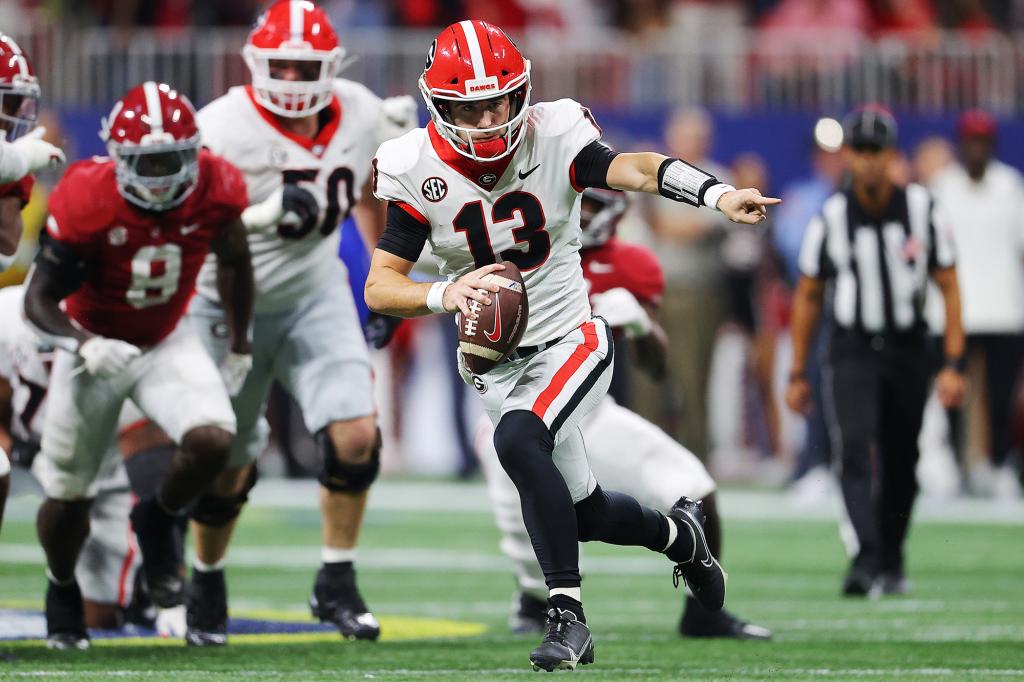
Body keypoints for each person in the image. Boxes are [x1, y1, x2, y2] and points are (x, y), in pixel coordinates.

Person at [364, 20, 778, 671]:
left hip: (570, 337)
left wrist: (717, 194)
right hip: (495, 364)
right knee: (581, 512)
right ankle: (681, 538)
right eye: (471, 105)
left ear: (521, 91)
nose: (491, 117)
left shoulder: (555, 134)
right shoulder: (414, 168)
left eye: (500, 98)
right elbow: (381, 285)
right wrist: (446, 294)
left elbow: (636, 169)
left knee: (517, 442)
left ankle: (566, 618)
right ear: (440, 106)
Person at [187, 0, 417, 646]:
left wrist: (377, 275)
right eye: (279, 66)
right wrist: (259, 213)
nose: (290, 79)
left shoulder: (362, 111)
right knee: (231, 462)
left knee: (355, 436)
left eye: (303, 67)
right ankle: (206, 578)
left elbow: (378, 189)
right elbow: (188, 228)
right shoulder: (221, 127)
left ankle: (336, 580)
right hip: (228, 301)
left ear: (330, 67)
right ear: (256, 65)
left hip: (316, 291)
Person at [475, 187, 772, 641]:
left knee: (692, 484)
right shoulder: (513, 249)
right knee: (525, 523)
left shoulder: (631, 264)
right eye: (579, 201)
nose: (583, 212)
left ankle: (704, 611)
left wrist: (640, 326)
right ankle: (535, 600)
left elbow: (656, 366)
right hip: (514, 408)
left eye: (593, 203)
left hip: (589, 411)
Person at [23, 81, 254, 650]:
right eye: (143, 161)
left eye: (169, 159)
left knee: (213, 437)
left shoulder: (218, 185)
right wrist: (81, 344)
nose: (156, 173)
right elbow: (37, 300)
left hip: (164, 339)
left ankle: (158, 516)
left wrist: (241, 343)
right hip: (95, 348)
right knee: (68, 494)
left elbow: (235, 260)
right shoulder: (86, 195)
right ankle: (61, 588)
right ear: (116, 157)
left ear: (195, 153)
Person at [786, 108, 965, 597]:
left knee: (903, 457)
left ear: (891, 155)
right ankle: (865, 558)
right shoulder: (832, 215)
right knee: (855, 448)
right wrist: (798, 370)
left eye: (875, 151)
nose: (866, 162)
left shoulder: (922, 209)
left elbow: (948, 285)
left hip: (908, 347)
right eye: (859, 151)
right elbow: (807, 295)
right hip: (853, 348)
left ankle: (892, 555)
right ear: (848, 155)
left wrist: (953, 363)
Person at [0, 284, 176, 631]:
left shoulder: (121, 314)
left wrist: (165, 560)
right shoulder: (7, 315)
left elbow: (146, 444)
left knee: (99, 618)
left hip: (98, 459)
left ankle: (144, 584)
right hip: (24, 447)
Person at [930, 110, 1024, 498]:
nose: (976, 148)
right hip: (952, 313)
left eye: (982, 141)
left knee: (1001, 397)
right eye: (970, 141)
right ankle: (954, 465)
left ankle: (998, 465)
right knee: (952, 393)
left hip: (1003, 309)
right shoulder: (942, 187)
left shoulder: (1010, 186)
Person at [0, 33, 65, 272]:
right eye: (5, 103)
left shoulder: (13, 170)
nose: (11, 117)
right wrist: (25, 158)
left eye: (14, 104)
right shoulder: (14, 162)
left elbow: (5, 254)